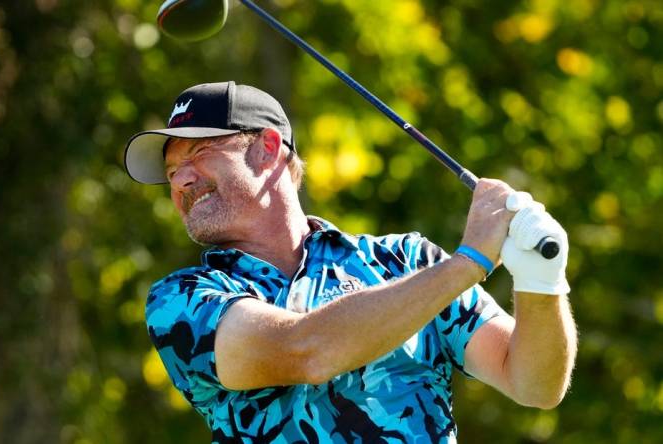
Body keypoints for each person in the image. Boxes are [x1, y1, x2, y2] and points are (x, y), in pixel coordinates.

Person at [125, 81, 577, 443]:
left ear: (267, 147)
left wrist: (541, 283)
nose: (182, 179)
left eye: (200, 153)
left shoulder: (406, 260)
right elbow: (306, 351)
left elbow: (533, 385)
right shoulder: (180, 301)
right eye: (171, 172)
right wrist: (469, 261)